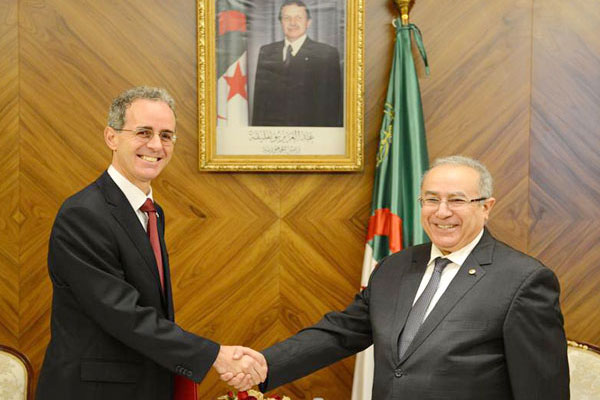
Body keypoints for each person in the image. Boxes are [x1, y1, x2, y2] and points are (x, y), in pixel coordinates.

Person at [227, 155, 570, 399]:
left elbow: (542, 388)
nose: (442, 212)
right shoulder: (395, 267)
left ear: (486, 207)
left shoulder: (523, 280)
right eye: (431, 200)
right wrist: (266, 363)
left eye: (457, 200)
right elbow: (341, 333)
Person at [36, 86, 266, 399]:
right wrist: (213, 354)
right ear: (111, 137)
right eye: (144, 132)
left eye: (166, 135)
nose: (156, 145)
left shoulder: (152, 212)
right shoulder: (83, 214)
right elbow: (123, 313)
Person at [252, 0, 343, 127]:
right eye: (287, 18)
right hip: (273, 133)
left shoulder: (326, 54)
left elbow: (334, 104)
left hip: (312, 132)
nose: (292, 23)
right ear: (281, 22)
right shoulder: (266, 52)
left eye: (298, 18)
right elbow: (260, 103)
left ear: (308, 22)